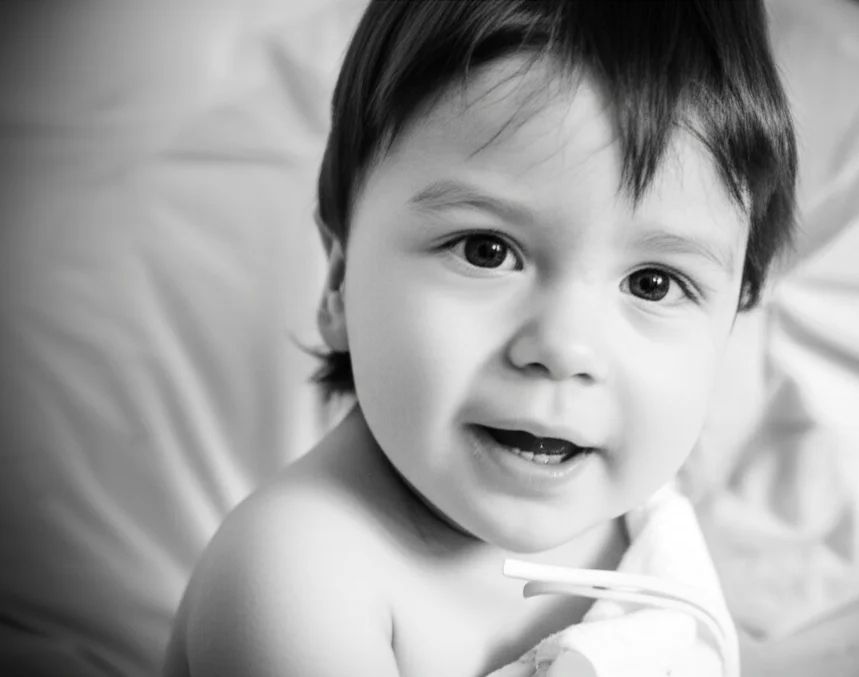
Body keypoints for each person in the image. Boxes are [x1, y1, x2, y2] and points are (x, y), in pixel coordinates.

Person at [163, 1, 797, 675]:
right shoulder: (297, 575)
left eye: (653, 284)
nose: (564, 348)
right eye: (487, 249)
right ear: (339, 282)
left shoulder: (641, 522)